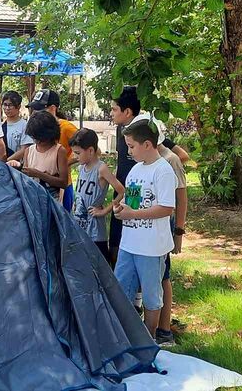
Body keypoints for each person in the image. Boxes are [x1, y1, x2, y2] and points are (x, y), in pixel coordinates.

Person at [109, 86, 190, 267]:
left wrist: (162, 173)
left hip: (152, 221)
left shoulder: (149, 135)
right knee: (120, 256)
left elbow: (179, 157)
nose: (111, 113)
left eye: (114, 109)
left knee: (156, 274)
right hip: (128, 206)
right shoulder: (122, 132)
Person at [113, 119, 176, 340]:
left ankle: (148, 340)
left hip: (151, 248)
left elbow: (167, 208)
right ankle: (126, 338)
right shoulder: (135, 170)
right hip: (129, 244)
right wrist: (121, 210)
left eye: (132, 146)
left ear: (147, 144)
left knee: (151, 297)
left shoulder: (164, 171)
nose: (129, 151)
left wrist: (133, 214)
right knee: (121, 291)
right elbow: (132, 201)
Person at [69, 128, 125, 260]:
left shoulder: (101, 168)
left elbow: (121, 191)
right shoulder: (81, 167)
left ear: (90, 150)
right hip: (80, 225)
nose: (75, 157)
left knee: (99, 265)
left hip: (95, 231)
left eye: (78, 153)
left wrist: (104, 211)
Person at [156, 143, 188, 346]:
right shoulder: (143, 160)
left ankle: (164, 330)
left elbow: (181, 198)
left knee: (163, 275)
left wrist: (179, 231)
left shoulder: (171, 160)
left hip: (163, 226)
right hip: (144, 229)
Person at [27, 89, 78, 211]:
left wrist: (64, 164)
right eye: (34, 109)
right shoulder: (36, 127)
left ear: (53, 108)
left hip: (60, 189)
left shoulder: (66, 127)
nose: (36, 113)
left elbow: (91, 149)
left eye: (40, 109)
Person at [6, 111, 68, 200]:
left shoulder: (59, 151)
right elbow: (26, 178)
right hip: (33, 200)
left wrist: (39, 174)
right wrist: (18, 167)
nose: (37, 141)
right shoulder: (29, 150)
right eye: (34, 138)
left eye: (40, 138)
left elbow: (63, 182)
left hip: (52, 201)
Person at [1, 91, 32, 157]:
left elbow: (25, 149)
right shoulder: (1, 127)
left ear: (18, 106)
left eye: (10, 105)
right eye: (5, 104)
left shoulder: (25, 126)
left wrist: (7, 161)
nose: (7, 108)